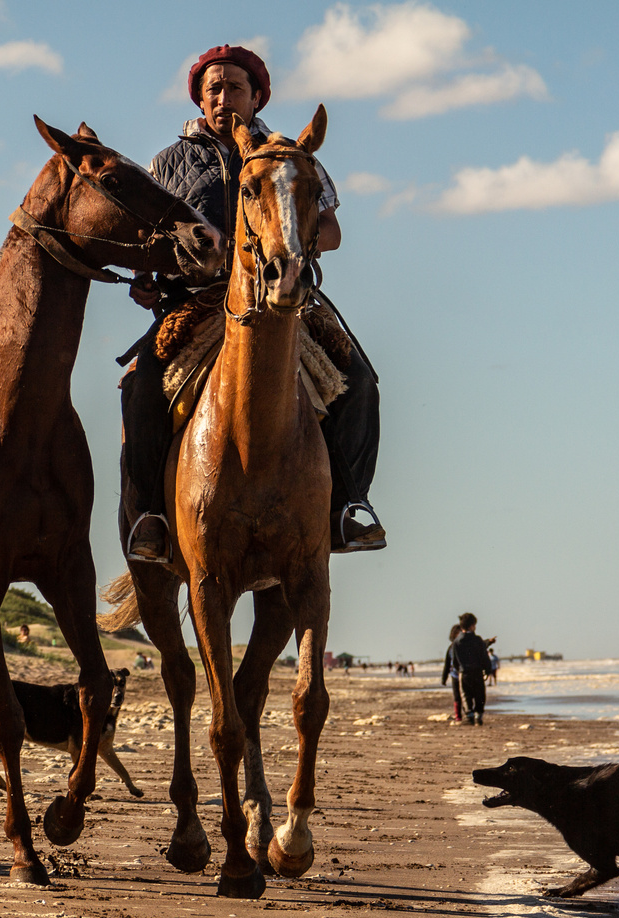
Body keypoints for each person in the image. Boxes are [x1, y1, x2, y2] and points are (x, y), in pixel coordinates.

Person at [119, 43, 384, 563]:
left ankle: (348, 508)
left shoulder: (291, 155)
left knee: (361, 385)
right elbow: (148, 238)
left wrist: (290, 241)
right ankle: (149, 516)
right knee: (139, 383)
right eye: (212, 89)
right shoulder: (166, 163)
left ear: (257, 97)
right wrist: (145, 279)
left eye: (234, 87)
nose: (223, 97)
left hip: (284, 296)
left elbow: (330, 229)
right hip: (196, 301)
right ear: (200, 100)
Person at [448, 612, 496, 725]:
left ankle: (469, 715)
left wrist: (459, 669)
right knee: (480, 694)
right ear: (472, 626)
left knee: (466, 695)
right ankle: (479, 714)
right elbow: (484, 656)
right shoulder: (477, 640)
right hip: (477, 671)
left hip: (463, 672)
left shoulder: (456, 642)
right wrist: (487, 670)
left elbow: (454, 660)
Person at [441, 623, 465, 723]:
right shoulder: (451, 648)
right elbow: (447, 664)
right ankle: (458, 715)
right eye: (457, 634)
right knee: (457, 696)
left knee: (465, 695)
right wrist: (444, 678)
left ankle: (468, 713)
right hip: (454, 675)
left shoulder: (466, 646)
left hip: (464, 674)